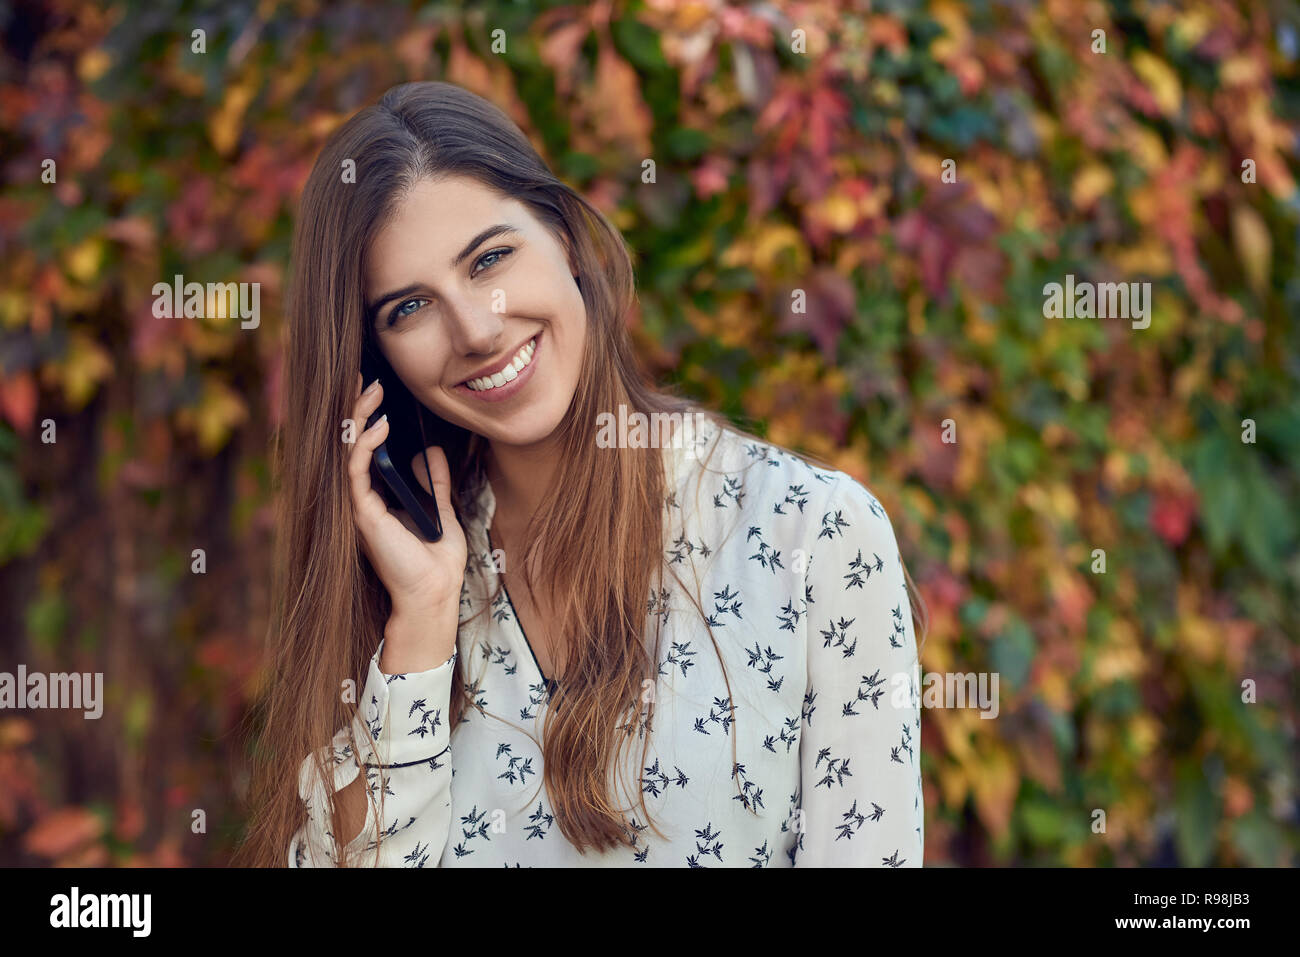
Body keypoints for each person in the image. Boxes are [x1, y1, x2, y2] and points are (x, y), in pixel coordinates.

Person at [237, 81, 926, 867]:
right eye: (409, 308)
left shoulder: (814, 532)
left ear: (564, 237)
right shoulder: (405, 591)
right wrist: (421, 623)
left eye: (491, 258)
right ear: (375, 361)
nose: (477, 329)